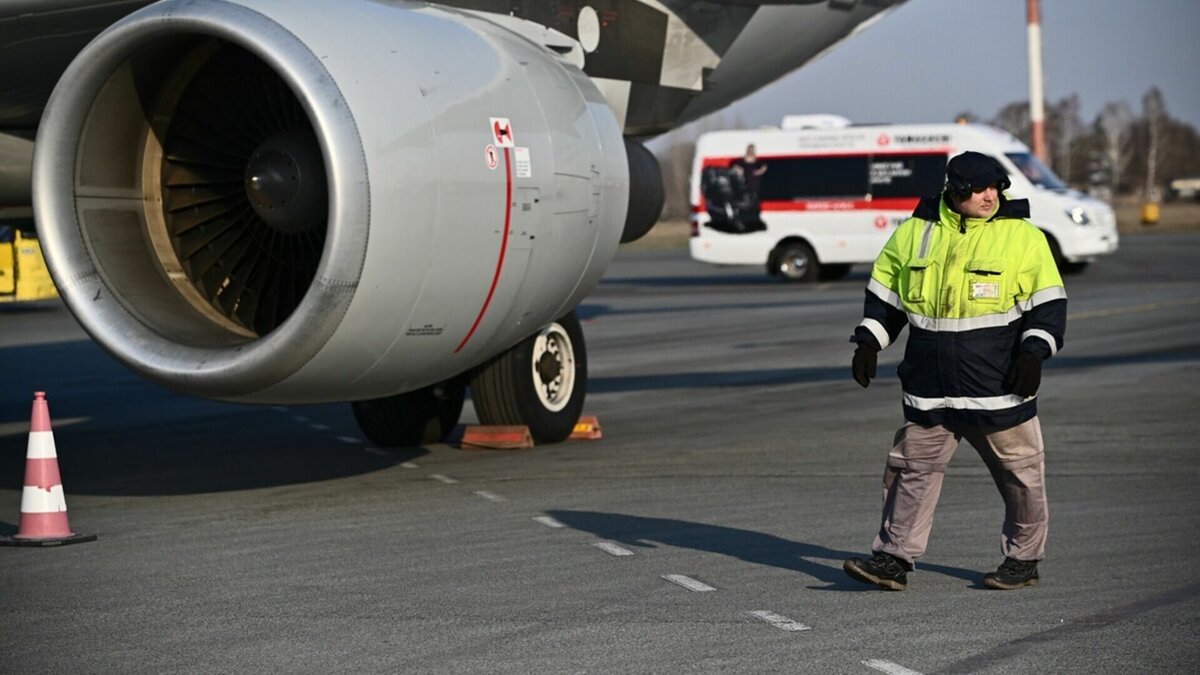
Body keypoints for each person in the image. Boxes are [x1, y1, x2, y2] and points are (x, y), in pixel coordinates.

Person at [843, 151, 1066, 591]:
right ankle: (893, 558)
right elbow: (886, 298)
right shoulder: (913, 233)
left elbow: (1049, 305)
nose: (991, 196)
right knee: (911, 473)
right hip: (930, 389)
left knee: (1021, 477)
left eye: (996, 187)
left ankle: (1024, 560)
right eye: (981, 188)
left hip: (998, 389)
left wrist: (1033, 354)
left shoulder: (1023, 238)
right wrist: (868, 341)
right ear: (956, 190)